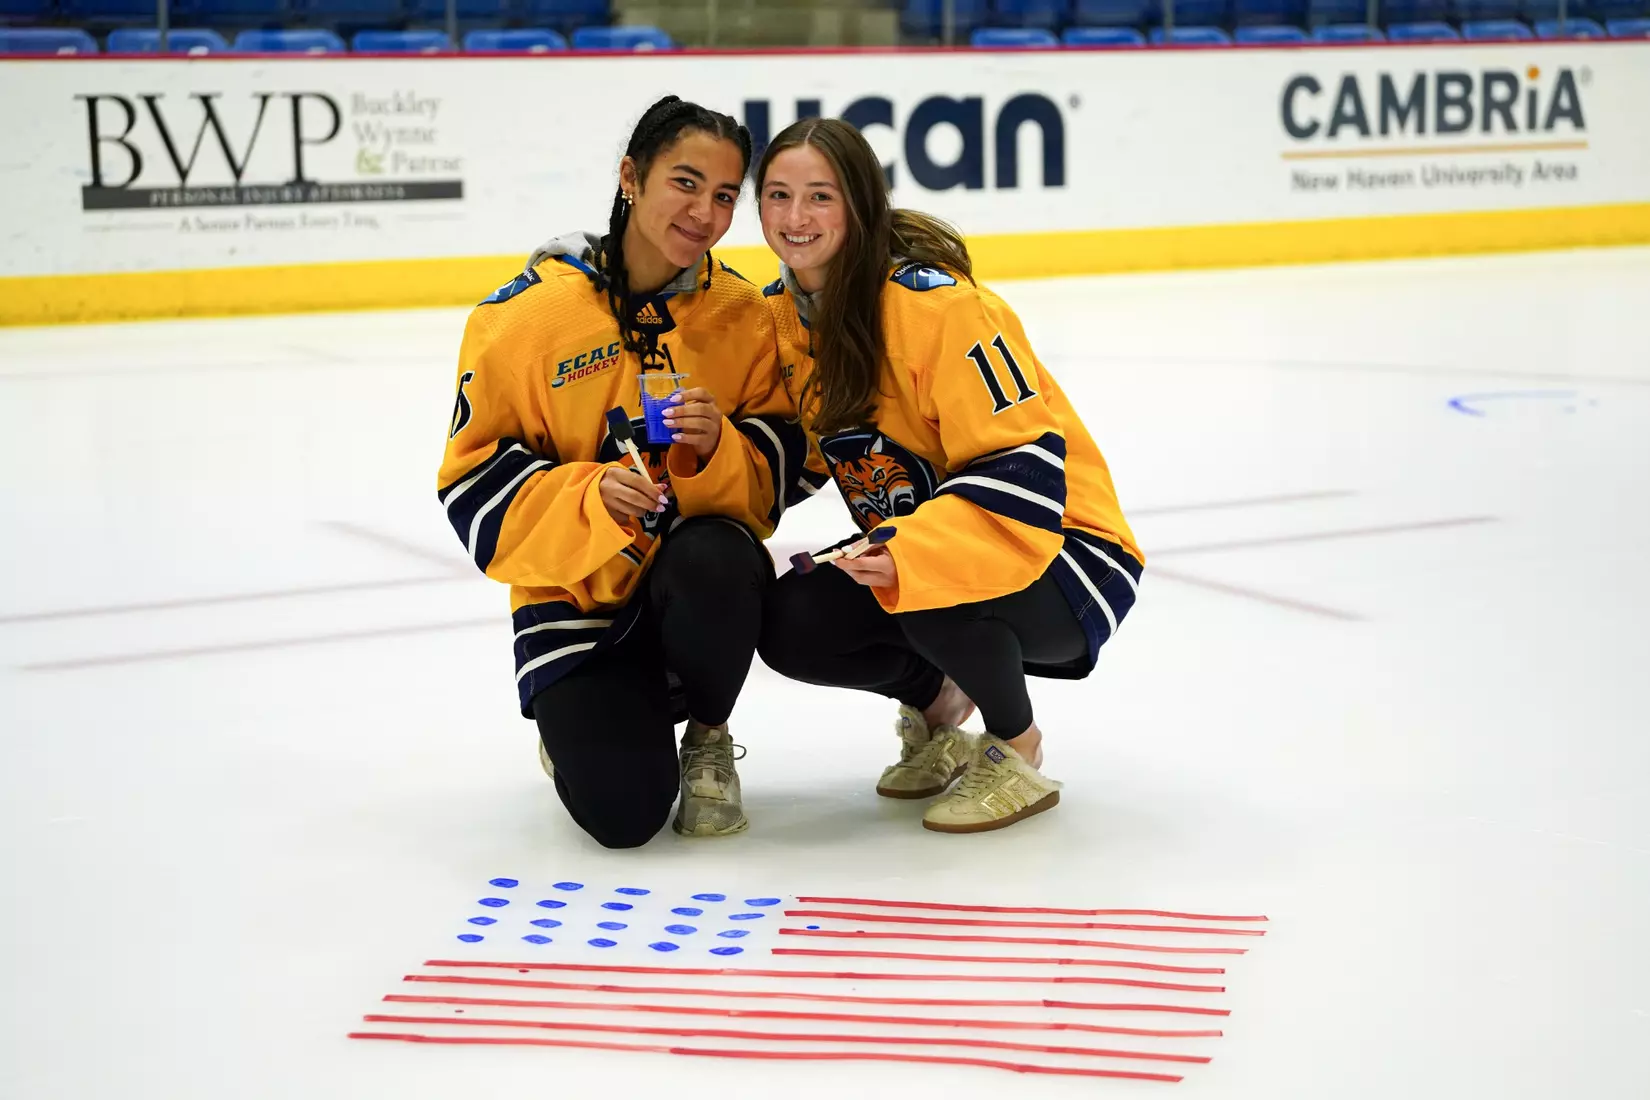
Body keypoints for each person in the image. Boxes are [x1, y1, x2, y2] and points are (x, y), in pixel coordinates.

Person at [754, 117, 1143, 834]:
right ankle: (939, 709)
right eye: (777, 195)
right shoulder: (780, 321)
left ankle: (1015, 747)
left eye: (821, 196)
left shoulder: (942, 308)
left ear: (862, 203)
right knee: (789, 621)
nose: (795, 218)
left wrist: (905, 550)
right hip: (926, 551)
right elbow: (795, 455)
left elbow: (1020, 468)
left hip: (1066, 554)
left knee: (924, 574)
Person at [437, 96, 805, 848]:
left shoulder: (744, 313)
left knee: (722, 556)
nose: (704, 212)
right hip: (574, 604)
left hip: (687, 587)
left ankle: (707, 730)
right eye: (686, 182)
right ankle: (586, 720)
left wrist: (719, 452)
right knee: (626, 817)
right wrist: (589, 495)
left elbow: (786, 464)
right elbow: (471, 487)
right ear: (630, 176)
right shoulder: (525, 319)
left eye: (726, 196)